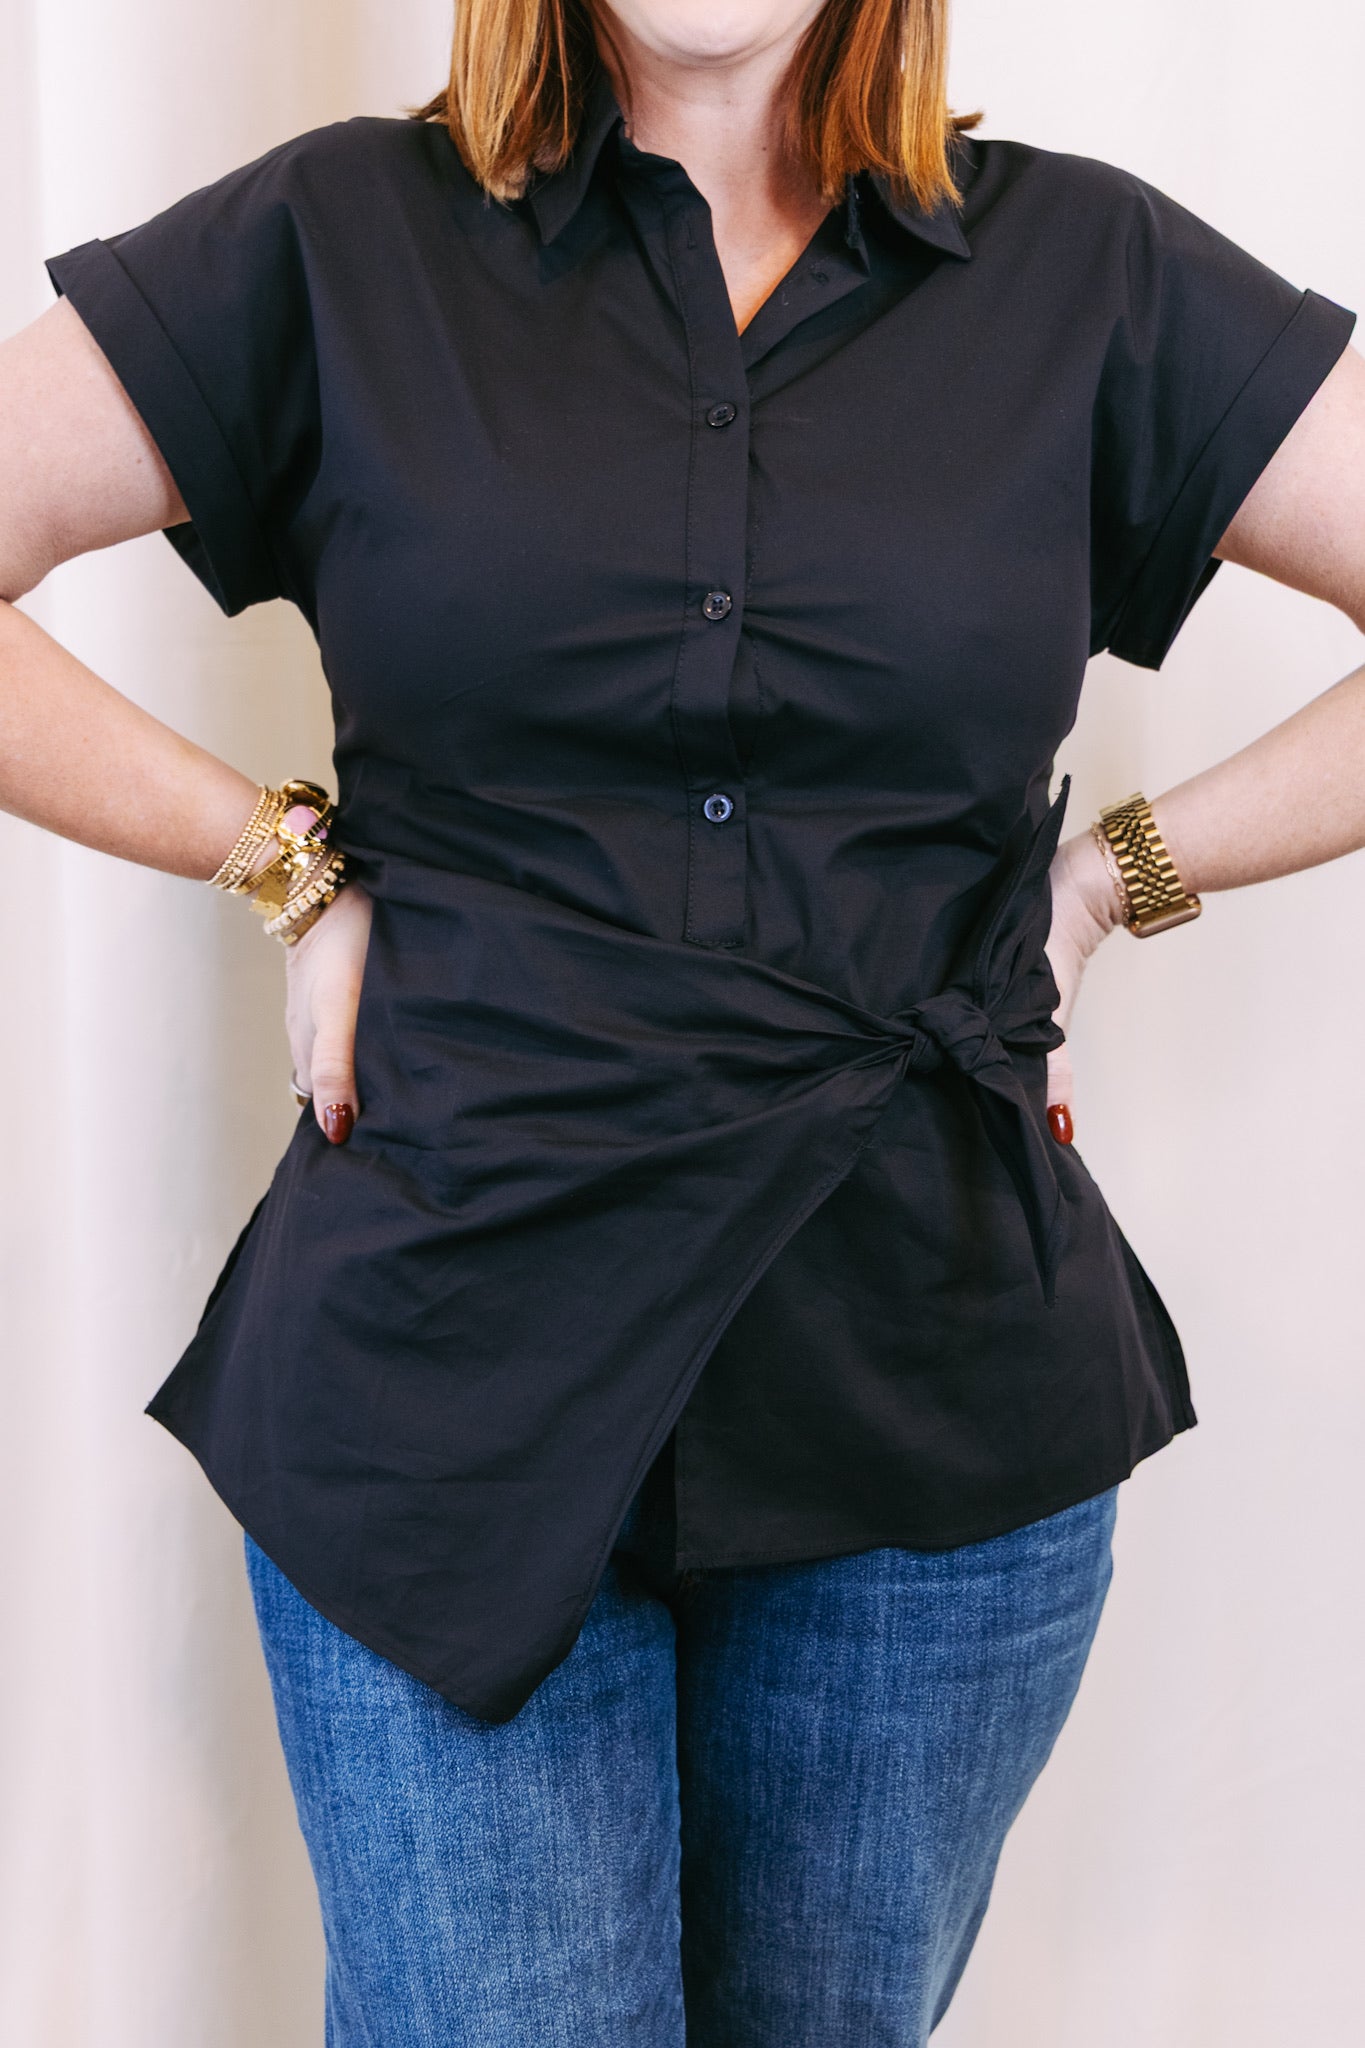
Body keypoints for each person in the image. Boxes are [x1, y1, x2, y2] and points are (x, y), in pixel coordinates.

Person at [2, 0, 1362, 2037]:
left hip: (926, 1402)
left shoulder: (1089, 271)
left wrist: (1113, 875)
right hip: (438, 1380)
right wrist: (277, 856)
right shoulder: (336, 239)